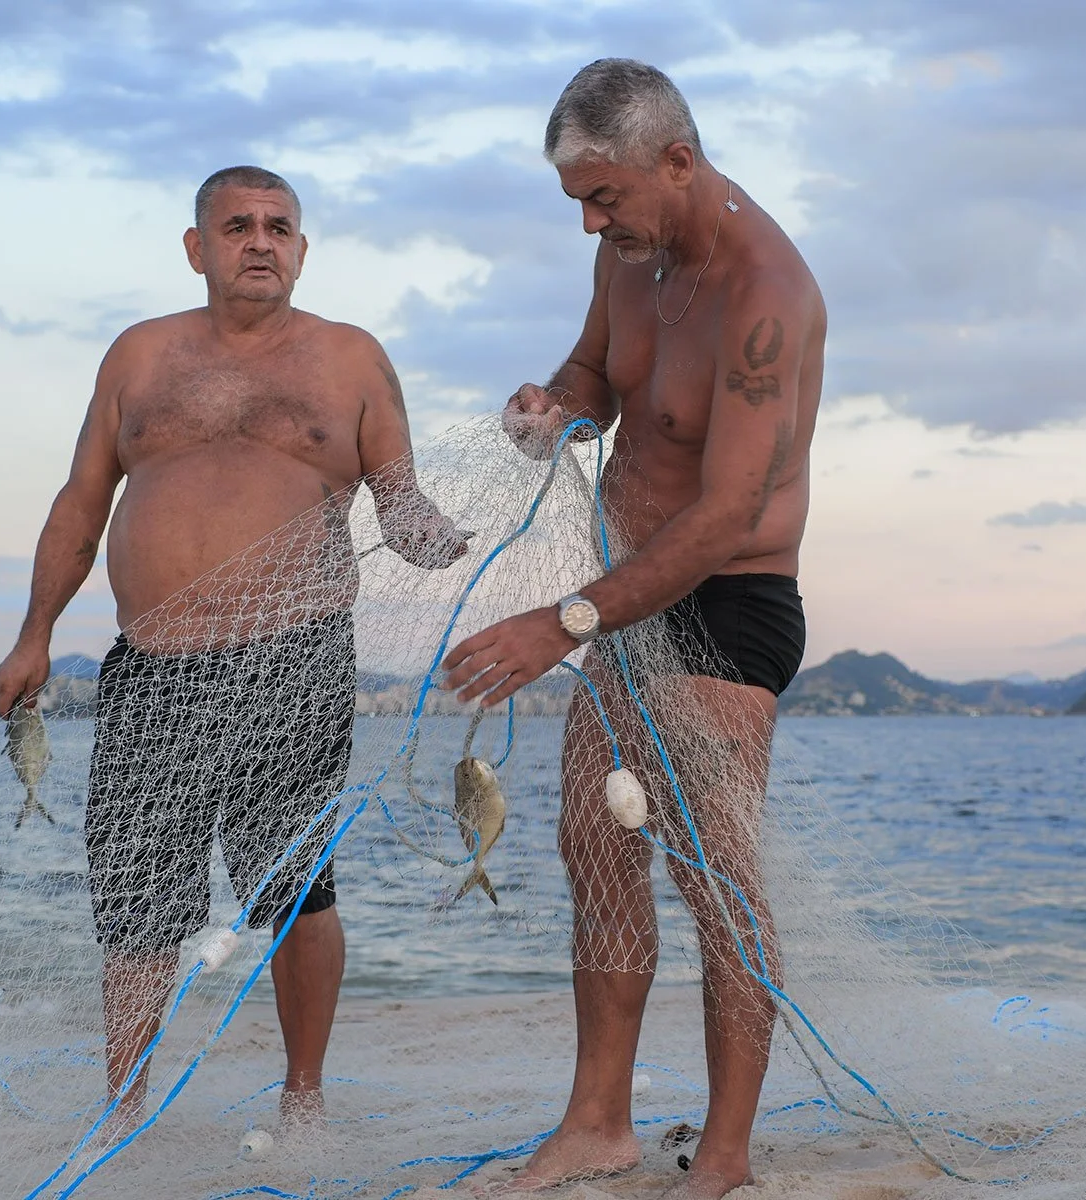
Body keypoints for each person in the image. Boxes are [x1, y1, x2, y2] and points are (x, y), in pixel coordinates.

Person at [0, 166, 466, 1134]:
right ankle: (123, 1108)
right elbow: (81, 504)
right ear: (196, 247)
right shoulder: (138, 356)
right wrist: (33, 634)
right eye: (239, 225)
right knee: (136, 896)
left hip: (295, 660)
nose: (260, 241)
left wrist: (453, 535)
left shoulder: (351, 359)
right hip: (151, 667)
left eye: (279, 228)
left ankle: (304, 1097)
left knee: (294, 888)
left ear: (302, 250)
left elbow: (401, 505)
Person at [441, 60, 825, 1198]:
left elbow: (728, 513)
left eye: (604, 198)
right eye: (578, 203)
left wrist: (562, 623)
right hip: (623, 600)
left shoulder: (766, 293)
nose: (591, 225)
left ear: (678, 160)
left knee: (715, 875)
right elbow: (597, 375)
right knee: (596, 845)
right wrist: (554, 408)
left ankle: (726, 1154)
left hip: (729, 601)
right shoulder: (627, 251)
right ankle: (599, 1123)